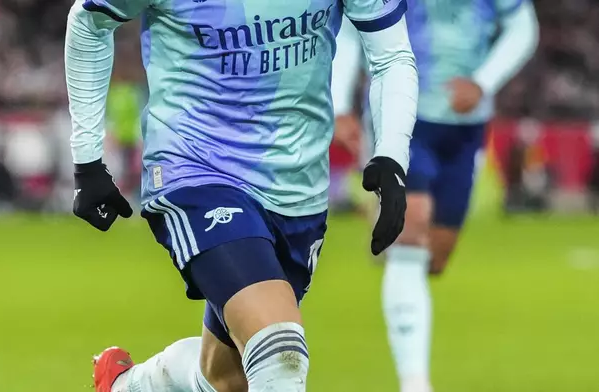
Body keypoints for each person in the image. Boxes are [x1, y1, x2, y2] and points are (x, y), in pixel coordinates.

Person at [64, 0, 418, 391]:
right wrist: (87, 160)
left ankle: (125, 386)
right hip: (197, 169)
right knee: (280, 352)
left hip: (298, 187)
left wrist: (391, 157)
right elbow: (89, 21)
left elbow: (391, 55)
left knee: (227, 379)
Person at [332, 1, 539, 391]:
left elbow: (523, 28)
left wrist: (482, 82)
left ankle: (392, 242)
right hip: (400, 115)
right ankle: (415, 382)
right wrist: (341, 102)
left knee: (436, 255)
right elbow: (348, 28)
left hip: (466, 126)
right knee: (411, 237)